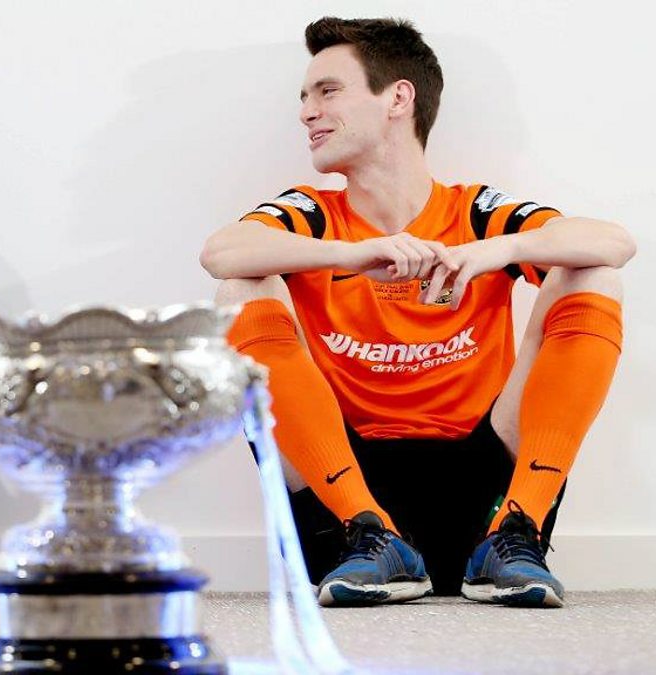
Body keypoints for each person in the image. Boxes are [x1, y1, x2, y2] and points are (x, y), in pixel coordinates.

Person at [200, 17, 633, 608]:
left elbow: (613, 243)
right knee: (242, 289)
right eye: (304, 97)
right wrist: (353, 255)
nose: (307, 112)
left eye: (328, 91)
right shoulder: (313, 214)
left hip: (485, 501)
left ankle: (518, 529)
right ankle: (370, 529)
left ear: (398, 98)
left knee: (591, 272)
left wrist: (498, 251)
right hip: (344, 519)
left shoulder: (475, 211)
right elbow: (221, 254)